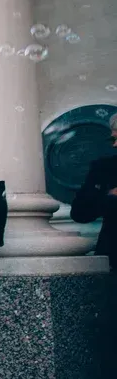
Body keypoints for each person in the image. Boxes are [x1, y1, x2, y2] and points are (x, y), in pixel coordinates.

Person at [71, 113, 117, 272]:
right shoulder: (104, 168)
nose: (115, 145)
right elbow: (79, 213)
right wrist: (109, 196)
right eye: (113, 139)